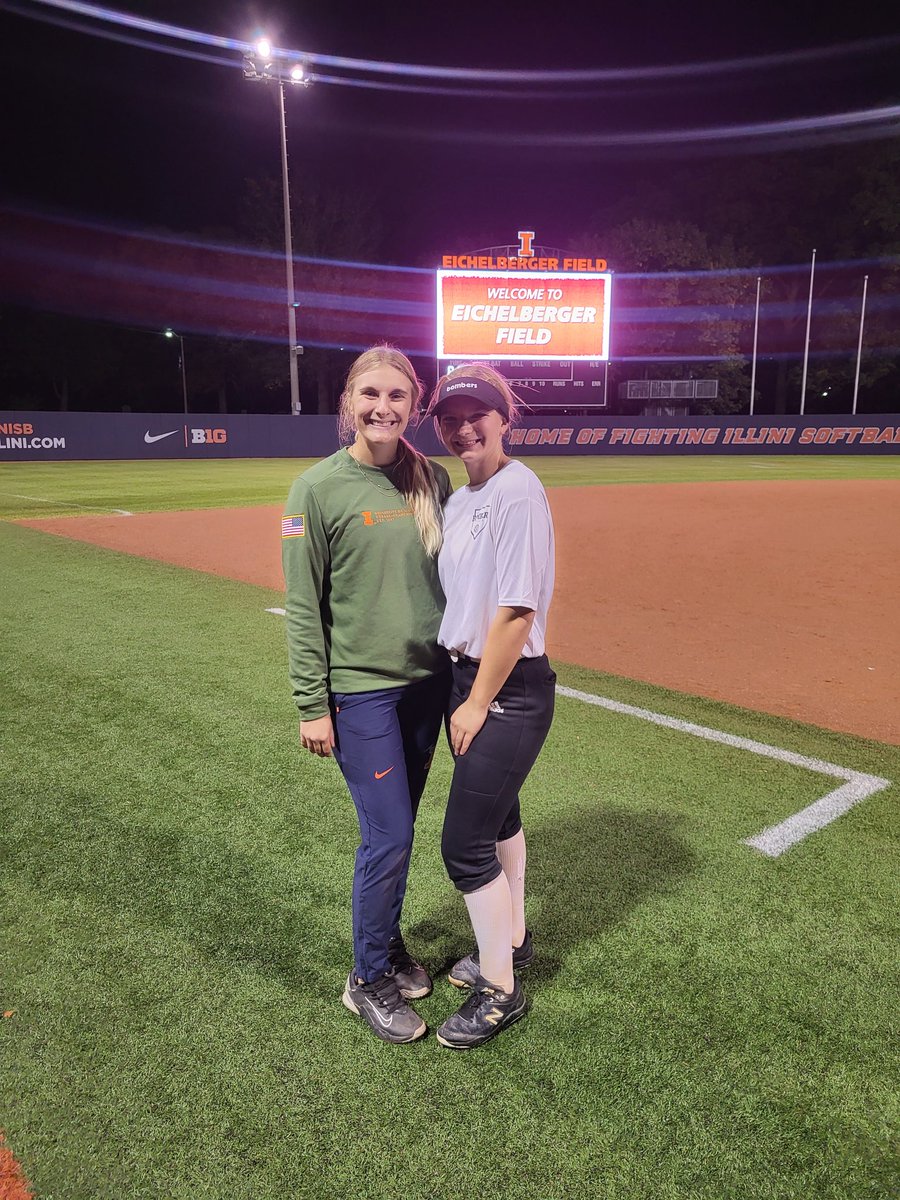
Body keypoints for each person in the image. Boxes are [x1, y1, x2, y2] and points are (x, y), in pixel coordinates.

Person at [282, 345, 452, 1045]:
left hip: (426, 687)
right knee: (388, 834)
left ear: (414, 405)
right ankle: (365, 979)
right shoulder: (316, 490)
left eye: (397, 397)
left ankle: (387, 945)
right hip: (361, 693)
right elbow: (302, 606)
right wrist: (311, 704)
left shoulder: (429, 477)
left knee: (399, 827)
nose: (383, 408)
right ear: (349, 401)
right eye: (370, 394)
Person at [426, 363, 556, 1050]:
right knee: (499, 815)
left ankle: (500, 991)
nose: (463, 426)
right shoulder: (463, 498)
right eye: (450, 417)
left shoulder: (517, 491)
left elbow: (514, 612)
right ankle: (515, 937)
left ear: (505, 417)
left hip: (505, 688)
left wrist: (477, 701)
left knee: (464, 844)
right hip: (468, 679)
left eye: (477, 413)